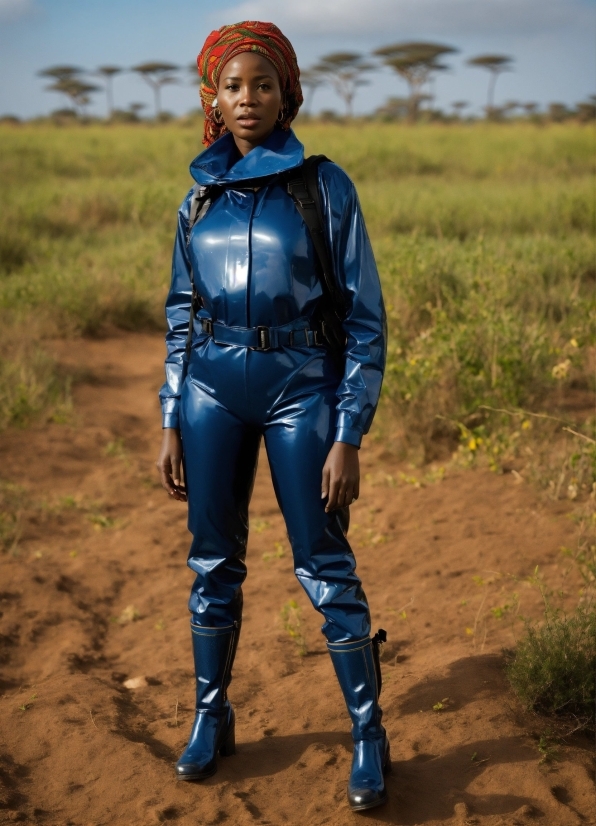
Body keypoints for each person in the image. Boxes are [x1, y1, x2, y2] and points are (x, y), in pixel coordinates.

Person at [156, 20, 389, 813]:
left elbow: (364, 318)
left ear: (289, 92)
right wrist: (168, 417)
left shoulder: (325, 187)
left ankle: (367, 734)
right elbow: (182, 313)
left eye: (262, 83)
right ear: (211, 101)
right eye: (232, 85)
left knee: (323, 560)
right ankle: (209, 716)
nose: (247, 97)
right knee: (211, 561)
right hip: (210, 392)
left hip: (304, 388)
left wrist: (349, 430)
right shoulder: (197, 200)